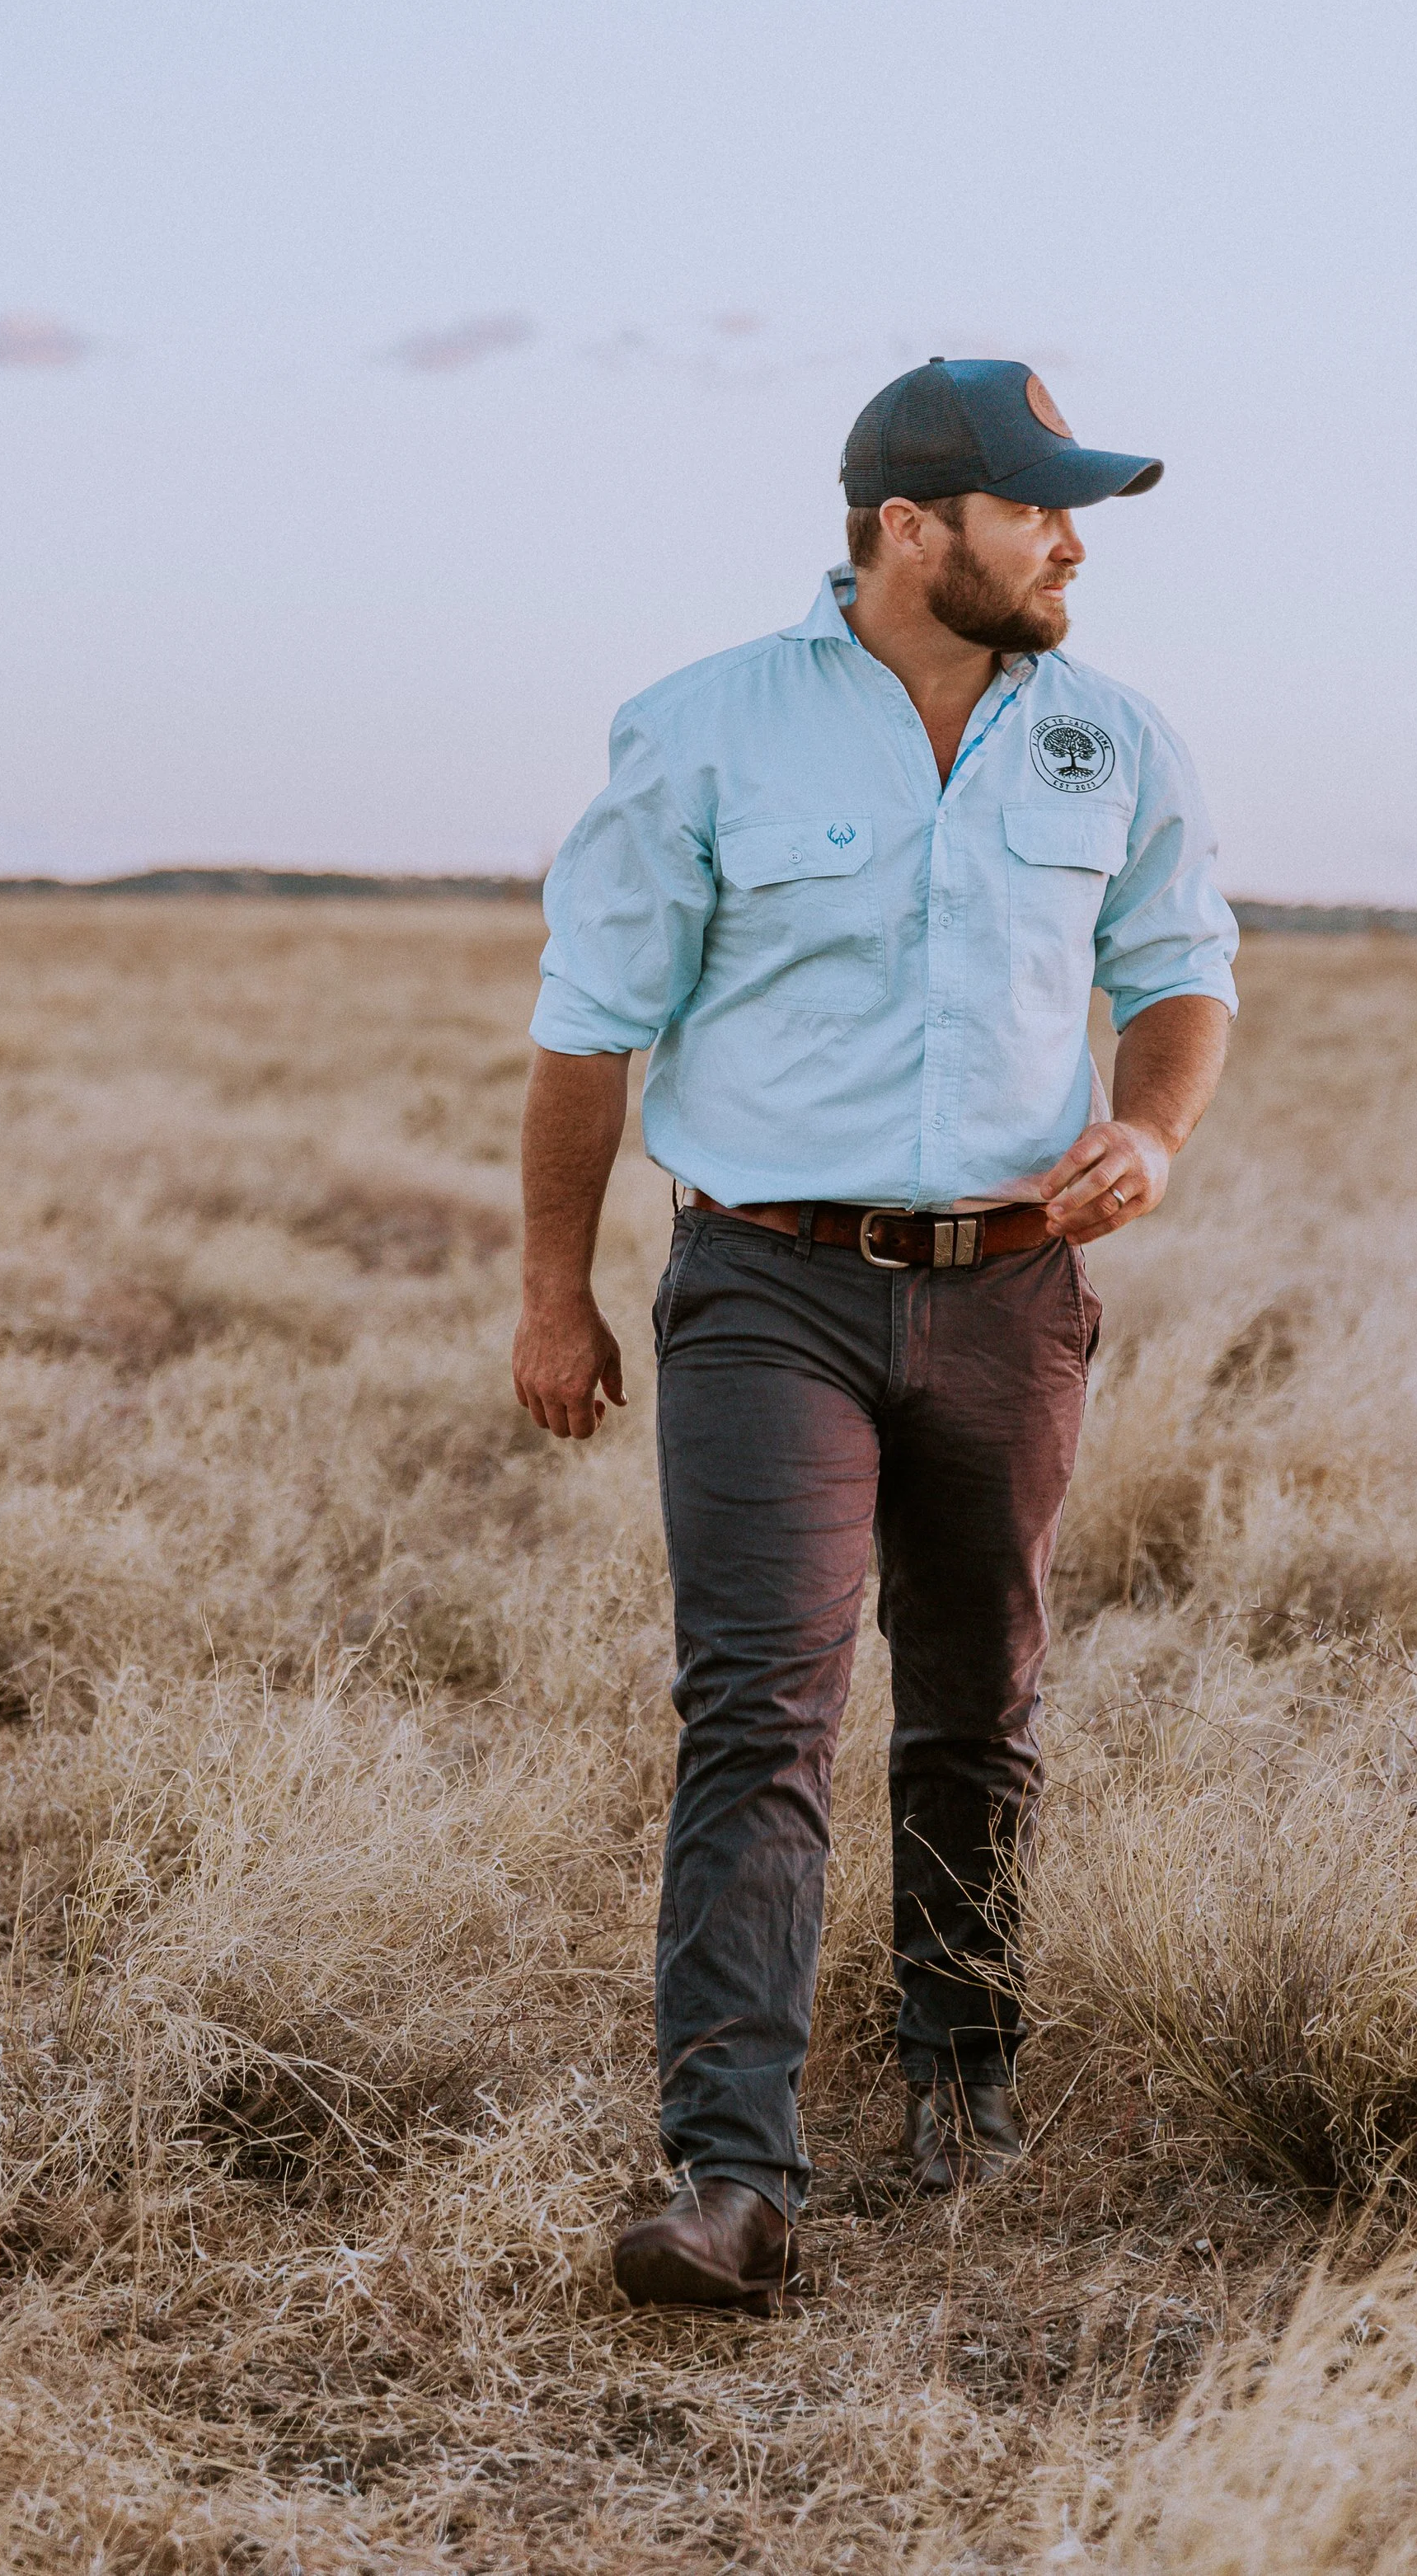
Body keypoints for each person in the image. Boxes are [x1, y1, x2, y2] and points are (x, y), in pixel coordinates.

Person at [511, 356, 1237, 2315]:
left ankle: (959, 2071)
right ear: (909, 527)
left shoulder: (1110, 739)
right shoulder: (704, 726)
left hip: (1012, 1289)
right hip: (769, 1286)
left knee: (977, 1704)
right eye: (1032, 509)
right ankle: (730, 2180)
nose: (1070, 544)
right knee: (758, 1709)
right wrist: (551, 1292)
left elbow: (1178, 971)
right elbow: (589, 1025)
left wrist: (1150, 1135)